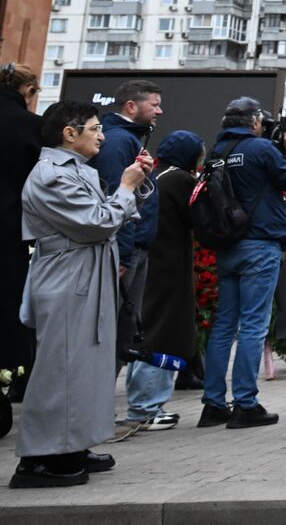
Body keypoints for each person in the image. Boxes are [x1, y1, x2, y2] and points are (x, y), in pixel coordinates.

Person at [11, 101, 153, 488]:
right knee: (60, 368)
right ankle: (38, 459)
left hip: (84, 273)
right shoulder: (51, 174)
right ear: (69, 133)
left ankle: (71, 445)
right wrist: (126, 187)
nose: (102, 136)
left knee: (86, 366)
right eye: (94, 128)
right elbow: (97, 222)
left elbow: (110, 214)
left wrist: (134, 186)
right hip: (67, 277)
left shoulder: (74, 169)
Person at [197, 97, 286, 430]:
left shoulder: (217, 152)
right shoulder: (260, 149)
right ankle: (245, 404)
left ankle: (214, 404)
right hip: (260, 244)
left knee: (224, 325)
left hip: (228, 245)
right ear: (255, 122)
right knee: (254, 325)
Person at [89, 81, 162, 426]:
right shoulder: (119, 141)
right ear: (131, 107)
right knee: (113, 331)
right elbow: (115, 197)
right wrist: (123, 253)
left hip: (131, 248)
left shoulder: (128, 138)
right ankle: (95, 412)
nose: (160, 111)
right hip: (123, 251)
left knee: (123, 330)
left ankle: (99, 410)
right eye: (154, 104)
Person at [120, 131, 203, 433]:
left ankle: (142, 404)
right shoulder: (180, 180)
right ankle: (146, 407)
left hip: (151, 264)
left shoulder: (156, 176)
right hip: (169, 269)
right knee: (163, 335)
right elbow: (200, 219)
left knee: (144, 334)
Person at [0, 63, 42, 404]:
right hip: (10, 232)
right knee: (9, 309)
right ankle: (13, 381)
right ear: (28, 91)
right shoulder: (30, 126)